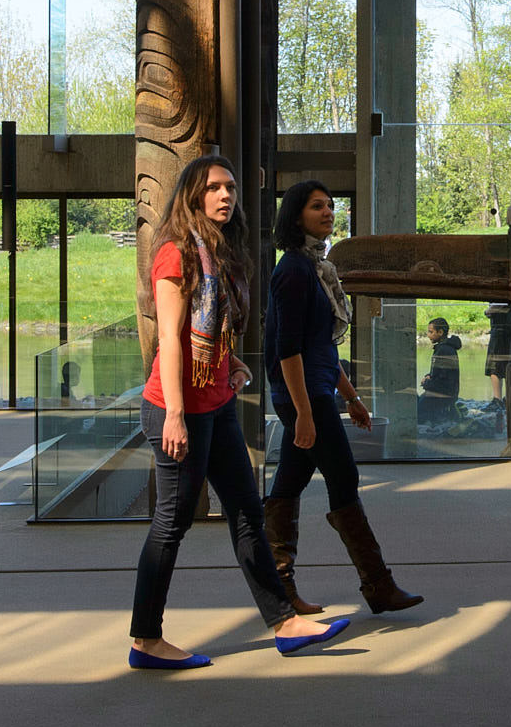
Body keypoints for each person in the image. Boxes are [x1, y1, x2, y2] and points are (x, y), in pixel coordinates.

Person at [127, 155, 347, 670]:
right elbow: (172, 340)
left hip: (216, 403)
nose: (225, 195)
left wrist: (231, 368)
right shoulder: (175, 253)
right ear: (192, 195)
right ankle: (145, 640)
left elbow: (215, 333)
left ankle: (284, 622)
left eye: (230, 187)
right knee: (171, 523)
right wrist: (178, 415)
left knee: (247, 512)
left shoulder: (220, 253)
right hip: (177, 408)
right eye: (214, 188)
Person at [265, 179, 421, 618]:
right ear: (296, 215)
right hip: (302, 396)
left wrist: (350, 397)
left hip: (315, 392)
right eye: (317, 206)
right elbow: (288, 349)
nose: (328, 212)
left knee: (289, 485)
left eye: (331, 205)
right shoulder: (293, 270)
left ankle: (281, 589)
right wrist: (303, 413)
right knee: (343, 476)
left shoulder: (316, 267)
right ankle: (379, 585)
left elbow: (321, 347)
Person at [418, 317, 462, 428]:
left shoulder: (444, 350)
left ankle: (443, 412)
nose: (428, 335)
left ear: (440, 332)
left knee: (418, 414)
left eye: (431, 332)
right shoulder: (443, 348)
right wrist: (428, 376)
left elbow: (445, 381)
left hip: (444, 395)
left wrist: (427, 384)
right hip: (444, 392)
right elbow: (439, 372)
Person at [483, 299, 511, 399]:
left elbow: (496, 307)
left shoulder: (498, 291)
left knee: (495, 367)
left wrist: (487, 312)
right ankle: (510, 398)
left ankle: (498, 399)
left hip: (500, 331)